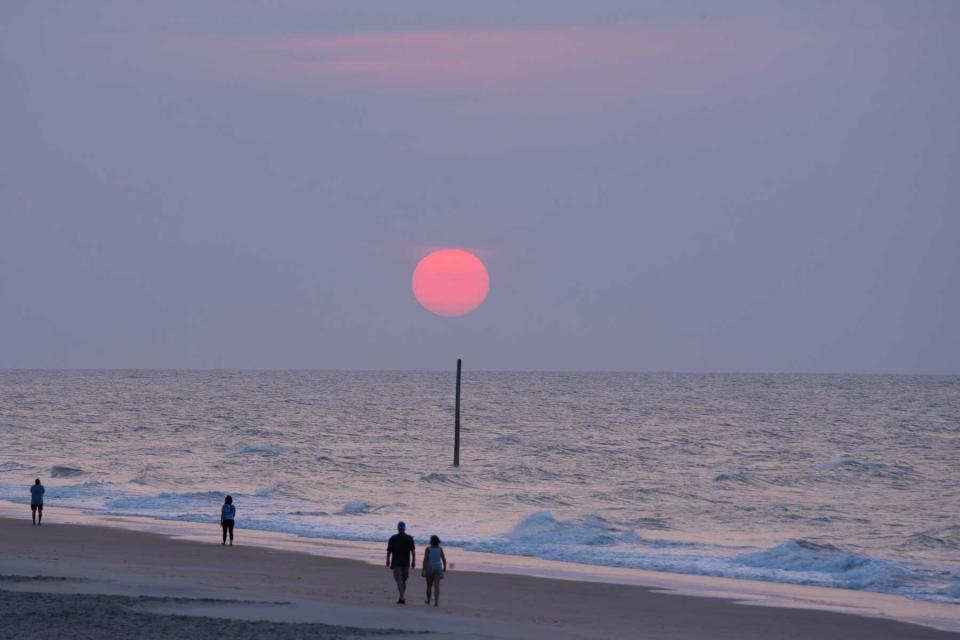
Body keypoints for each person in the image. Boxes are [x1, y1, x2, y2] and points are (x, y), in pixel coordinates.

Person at [386, 521, 415, 604]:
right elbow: (413, 551)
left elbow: (389, 551)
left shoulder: (393, 538)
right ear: (404, 529)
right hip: (405, 563)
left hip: (397, 563)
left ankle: (401, 597)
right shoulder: (409, 538)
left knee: (401, 581)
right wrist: (413, 561)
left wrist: (387, 560)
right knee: (402, 581)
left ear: (398, 528)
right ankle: (402, 597)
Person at [421, 535, 447, 606]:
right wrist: (444, 567)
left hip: (430, 567)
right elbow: (443, 559)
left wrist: (423, 570)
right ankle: (436, 602)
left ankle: (428, 601)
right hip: (438, 567)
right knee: (437, 586)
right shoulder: (440, 549)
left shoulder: (428, 549)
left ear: (431, 541)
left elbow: (425, 560)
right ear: (438, 541)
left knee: (429, 585)